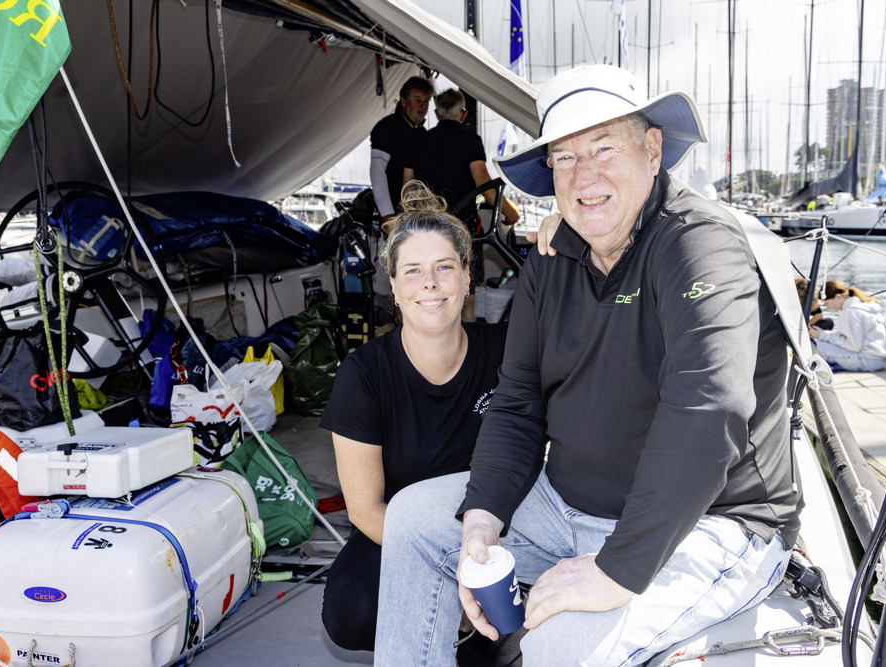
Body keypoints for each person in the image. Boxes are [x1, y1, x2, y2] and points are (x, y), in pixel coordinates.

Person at [374, 64, 803, 665]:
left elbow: (709, 408)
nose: (585, 175)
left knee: (560, 643)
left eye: (604, 148)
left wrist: (617, 570)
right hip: (564, 505)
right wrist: (482, 517)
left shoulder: (699, 243)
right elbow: (518, 400)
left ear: (652, 150)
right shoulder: (551, 258)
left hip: (713, 522)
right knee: (417, 517)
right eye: (565, 158)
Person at [318, 182, 509, 653]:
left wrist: (559, 234)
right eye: (413, 271)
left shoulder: (506, 352)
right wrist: (452, 565)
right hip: (400, 528)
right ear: (395, 288)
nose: (430, 283)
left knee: (504, 632)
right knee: (353, 611)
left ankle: (472, 627)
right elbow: (365, 510)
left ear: (467, 277)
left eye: (445, 267)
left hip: (497, 524)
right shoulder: (364, 375)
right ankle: (456, 617)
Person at [404, 88, 521, 321]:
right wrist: (510, 213)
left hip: (427, 230)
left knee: (430, 289)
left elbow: (407, 187)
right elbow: (483, 183)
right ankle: (468, 349)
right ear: (464, 113)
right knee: (467, 295)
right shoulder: (470, 141)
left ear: (437, 113)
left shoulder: (418, 141)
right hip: (462, 231)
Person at [370, 77, 434, 222]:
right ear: (403, 101)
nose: (422, 106)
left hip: (415, 216)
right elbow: (377, 171)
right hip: (393, 214)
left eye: (426, 101)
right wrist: (387, 215)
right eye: (417, 99)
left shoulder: (422, 133)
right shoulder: (387, 128)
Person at [810, 279, 886, 372]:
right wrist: (823, 335)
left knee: (814, 345)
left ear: (838, 296)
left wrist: (823, 335)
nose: (827, 307)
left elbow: (854, 346)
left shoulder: (851, 311)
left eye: (827, 303)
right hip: (878, 359)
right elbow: (850, 338)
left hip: (866, 361)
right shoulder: (861, 305)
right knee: (820, 342)